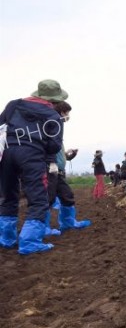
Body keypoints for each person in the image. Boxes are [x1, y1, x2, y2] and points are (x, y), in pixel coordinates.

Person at [0, 79, 65, 255]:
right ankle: (29, 243)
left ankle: (7, 239)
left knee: (8, 196)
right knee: (38, 199)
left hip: (5, 153)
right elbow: (54, 146)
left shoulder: (13, 105)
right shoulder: (53, 117)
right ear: (54, 100)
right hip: (31, 156)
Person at [46, 101, 90, 234]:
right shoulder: (52, 125)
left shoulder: (57, 129)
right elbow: (48, 150)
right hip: (50, 170)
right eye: (67, 112)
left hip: (59, 171)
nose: (68, 115)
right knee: (48, 199)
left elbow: (59, 155)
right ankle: (42, 229)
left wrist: (70, 155)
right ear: (61, 112)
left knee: (67, 196)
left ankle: (68, 223)